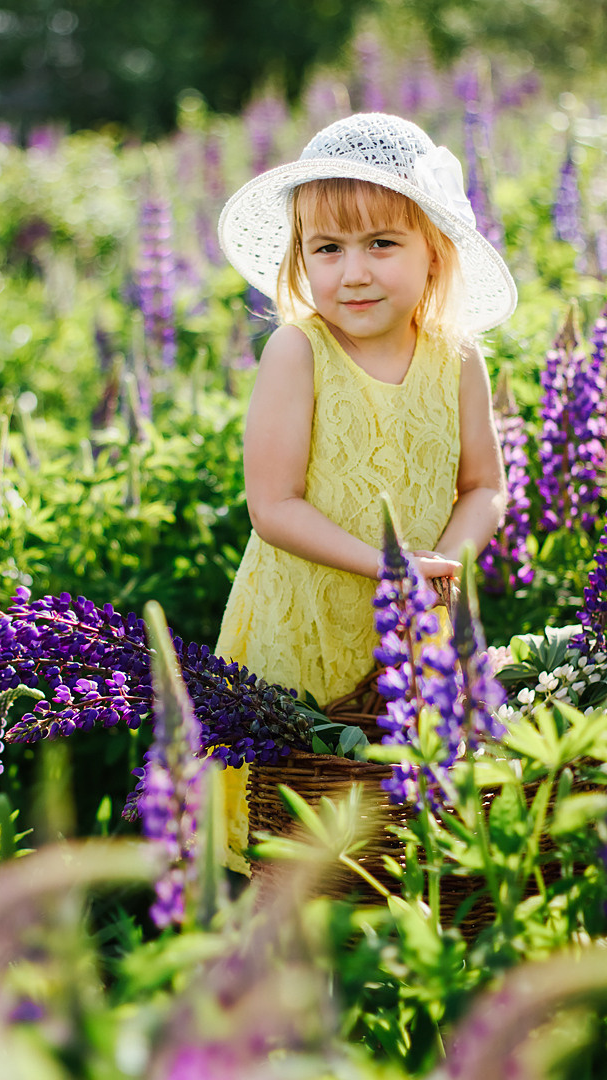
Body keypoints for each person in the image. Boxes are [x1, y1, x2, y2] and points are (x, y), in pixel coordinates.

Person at [214, 112, 517, 874]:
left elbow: (485, 484)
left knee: (406, 825)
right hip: (304, 630)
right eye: (328, 248)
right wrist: (389, 566)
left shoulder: (458, 359)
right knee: (297, 816)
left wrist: (442, 563)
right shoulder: (297, 352)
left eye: (382, 243)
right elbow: (272, 506)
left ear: (434, 251)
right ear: (300, 258)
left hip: (415, 626)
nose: (353, 272)